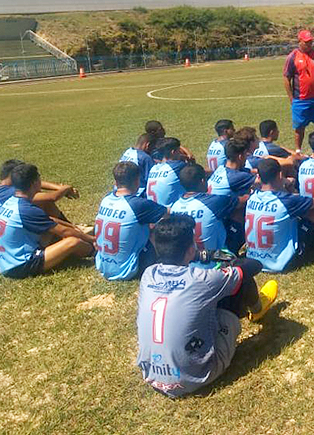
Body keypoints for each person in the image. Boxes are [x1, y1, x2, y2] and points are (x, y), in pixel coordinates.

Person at [136, 214, 278, 398]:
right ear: (190, 249)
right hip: (196, 376)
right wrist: (219, 258)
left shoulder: (148, 275)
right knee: (239, 280)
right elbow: (254, 265)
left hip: (152, 375)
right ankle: (258, 310)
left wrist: (197, 254)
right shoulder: (202, 280)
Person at [0, 163, 95, 278]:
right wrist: (92, 239)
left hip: (6, 261)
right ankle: (97, 252)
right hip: (20, 266)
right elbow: (65, 232)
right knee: (73, 242)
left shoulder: (11, 202)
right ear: (35, 182)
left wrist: (74, 228)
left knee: (60, 232)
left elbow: (49, 220)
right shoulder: (26, 209)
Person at [245, 159, 314, 272]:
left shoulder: (252, 197)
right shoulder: (287, 201)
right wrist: (289, 187)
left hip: (253, 260)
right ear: (280, 175)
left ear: (258, 177)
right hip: (282, 263)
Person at [95, 162, 167, 280]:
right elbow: (168, 213)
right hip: (129, 270)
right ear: (137, 181)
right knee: (160, 226)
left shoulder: (106, 199)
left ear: (116, 182)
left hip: (103, 266)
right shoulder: (137, 204)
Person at [0, 159, 81, 236]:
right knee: (44, 201)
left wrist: (58, 187)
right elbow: (52, 197)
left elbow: (34, 182)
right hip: (15, 237)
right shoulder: (10, 193)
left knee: (37, 198)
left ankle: (70, 228)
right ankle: (71, 231)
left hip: (1, 235)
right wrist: (67, 188)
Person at [170, 164, 242, 255]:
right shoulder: (213, 202)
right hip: (214, 261)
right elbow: (242, 201)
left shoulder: (174, 208)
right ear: (203, 181)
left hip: (187, 261)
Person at [283, 29, 314, 151]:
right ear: (300, 41)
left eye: (311, 42)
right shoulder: (293, 57)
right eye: (307, 42)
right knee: (299, 127)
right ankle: (298, 150)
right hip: (301, 99)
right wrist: (291, 98)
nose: (309, 45)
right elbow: (287, 78)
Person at [146, 138, 189, 206]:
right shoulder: (177, 166)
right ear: (173, 152)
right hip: (169, 212)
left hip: (154, 210)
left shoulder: (153, 168)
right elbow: (195, 174)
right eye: (179, 151)